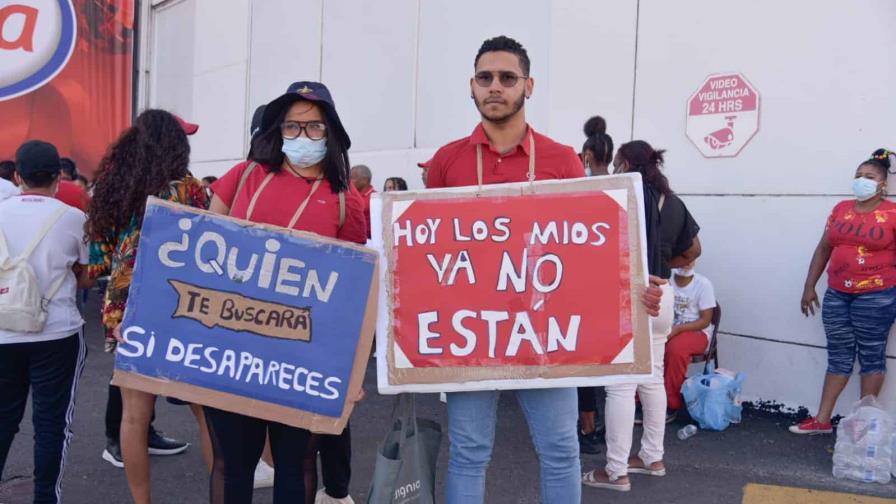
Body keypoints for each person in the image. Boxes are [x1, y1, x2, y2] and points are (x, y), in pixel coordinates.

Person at [426, 36, 665, 504]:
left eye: (507, 78)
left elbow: (591, 252)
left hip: (546, 336)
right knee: (469, 453)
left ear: (528, 86)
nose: (495, 86)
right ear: (472, 87)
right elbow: (425, 254)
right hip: (470, 335)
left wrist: (633, 288)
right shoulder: (446, 161)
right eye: (485, 77)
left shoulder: (562, 161)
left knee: (559, 451)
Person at [207, 81, 366, 504]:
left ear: (331, 132)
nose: (302, 137)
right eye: (292, 127)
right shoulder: (243, 177)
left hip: (302, 356)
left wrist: (350, 373)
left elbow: (353, 291)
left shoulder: (346, 199)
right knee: (232, 465)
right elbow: (203, 253)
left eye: (314, 127)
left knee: (296, 466)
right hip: (233, 347)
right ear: (277, 130)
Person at [87, 110, 212, 504]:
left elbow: (99, 262)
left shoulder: (111, 185)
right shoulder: (189, 190)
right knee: (203, 412)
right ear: (175, 144)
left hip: (127, 310)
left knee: (134, 416)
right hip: (183, 305)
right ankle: (222, 495)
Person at [584, 140, 700, 492]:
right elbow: (694, 251)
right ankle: (652, 457)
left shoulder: (625, 196)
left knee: (619, 384)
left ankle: (616, 470)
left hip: (632, 294)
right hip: (663, 294)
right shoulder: (674, 202)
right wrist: (664, 265)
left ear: (624, 163)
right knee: (651, 379)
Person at [0, 140, 91, 504]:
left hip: (4, 330)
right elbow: (85, 277)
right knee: (52, 423)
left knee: (4, 418)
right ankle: (44, 498)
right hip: (58, 333)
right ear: (58, 178)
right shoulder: (72, 218)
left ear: (18, 176)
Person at [792, 148, 896, 435]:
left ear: (882, 183)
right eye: (858, 175)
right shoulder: (841, 209)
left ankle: (864, 425)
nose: (862, 180)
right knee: (838, 354)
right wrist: (809, 285)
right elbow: (824, 247)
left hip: (877, 295)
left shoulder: (892, 213)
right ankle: (822, 419)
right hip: (837, 293)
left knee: (872, 355)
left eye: (870, 176)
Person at [576, 115, 616, 455]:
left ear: (587, 154)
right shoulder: (623, 188)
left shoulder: (578, 186)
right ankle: (602, 427)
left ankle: (587, 425)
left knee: (580, 359)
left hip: (579, 285)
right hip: (611, 285)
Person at [666, 261, 716, 416]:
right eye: (683, 257)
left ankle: (670, 403)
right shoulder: (665, 281)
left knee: (675, 349)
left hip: (696, 332)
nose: (687, 262)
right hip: (668, 329)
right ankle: (640, 400)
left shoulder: (703, 284)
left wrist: (679, 329)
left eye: (691, 257)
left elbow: (705, 320)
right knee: (650, 346)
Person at [350, 164, 374, 238]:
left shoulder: (374, 199)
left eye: (352, 178)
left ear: (365, 180)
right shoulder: (350, 195)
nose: (349, 181)